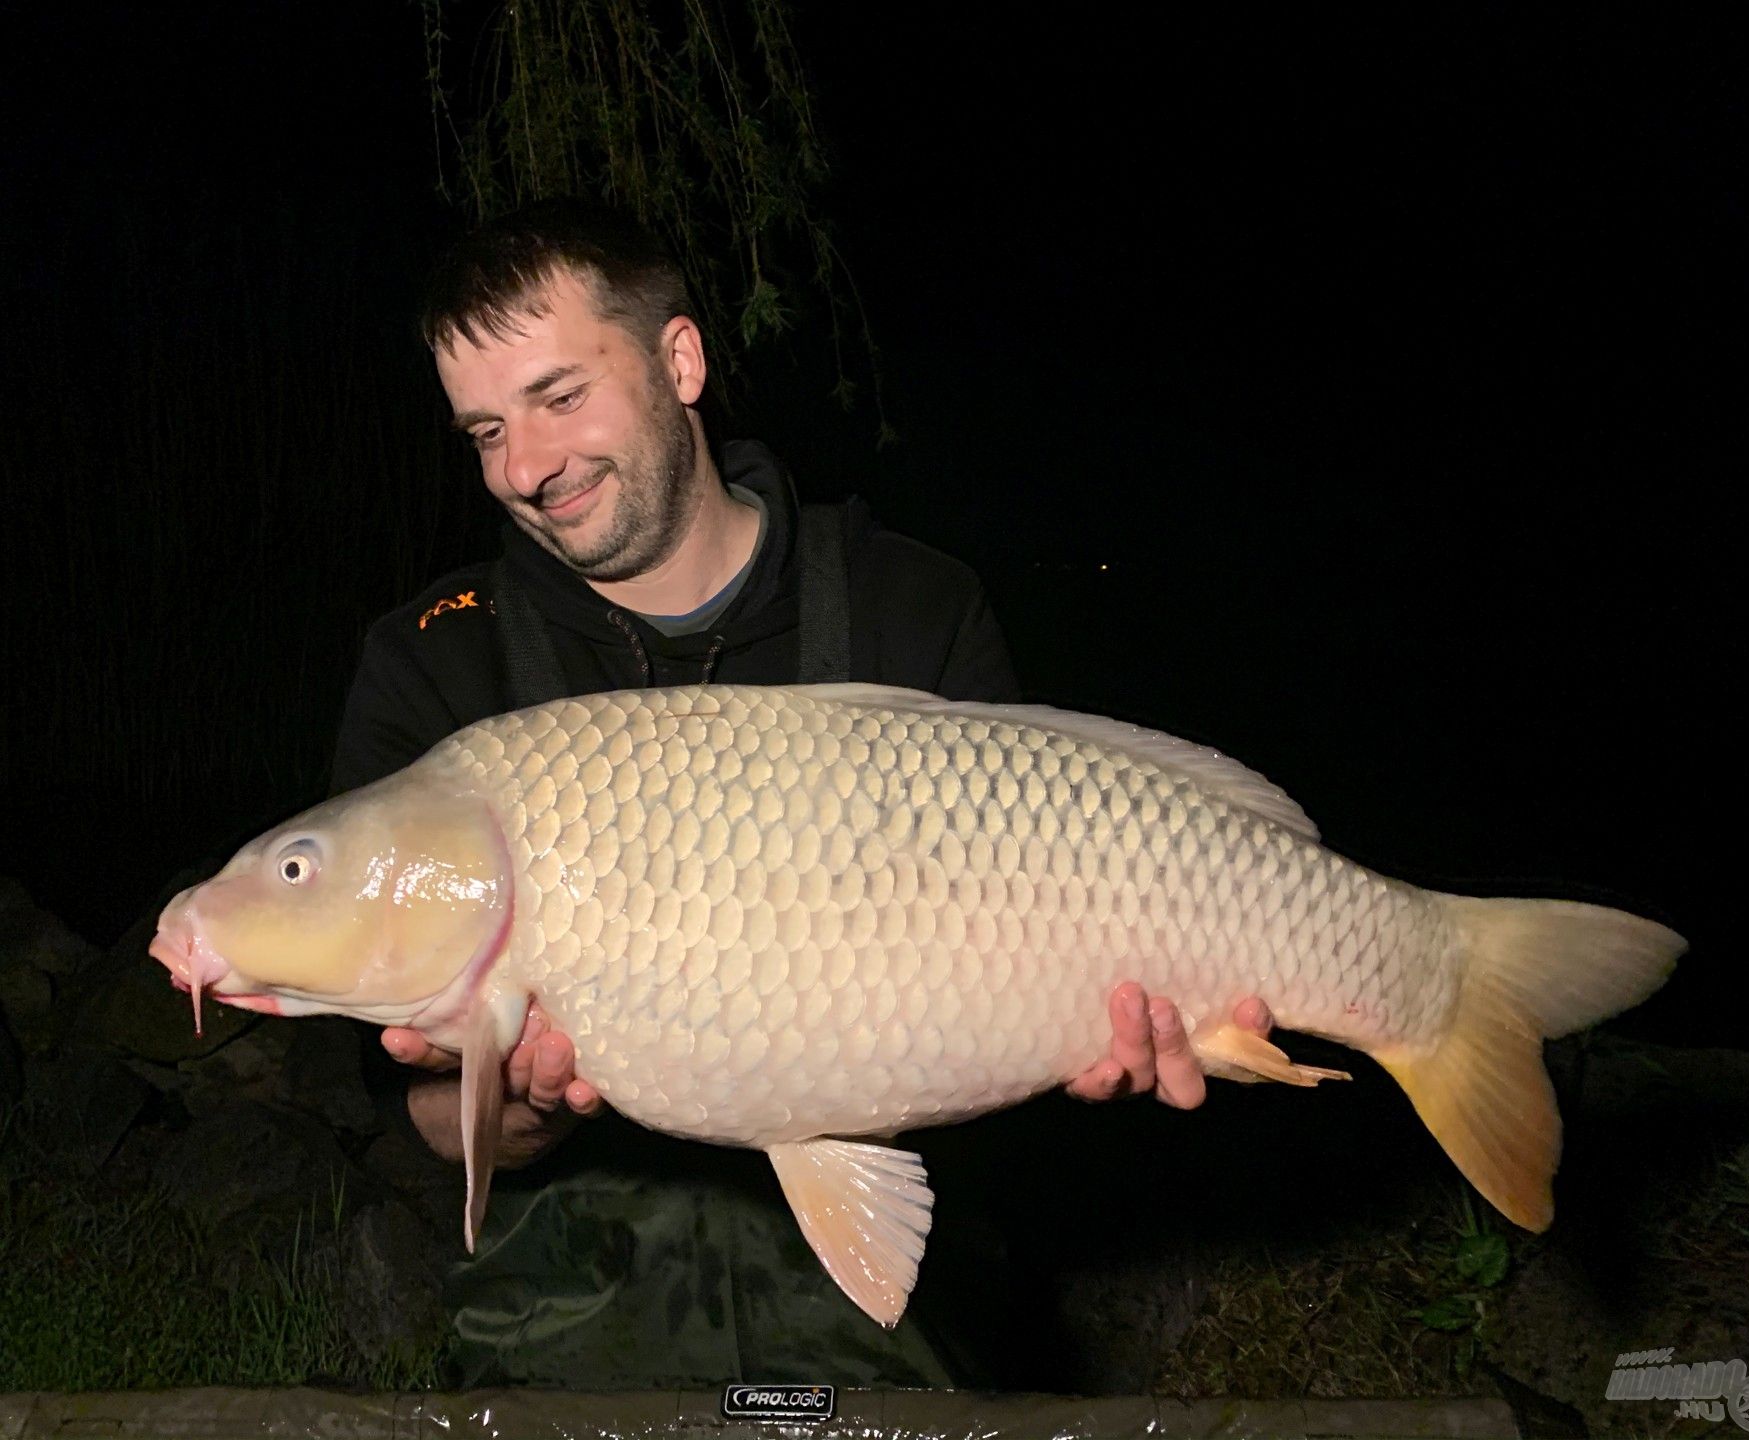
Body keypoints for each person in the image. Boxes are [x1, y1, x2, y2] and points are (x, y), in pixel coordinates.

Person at [330, 199, 1269, 1389]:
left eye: (561, 397)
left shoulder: (909, 605)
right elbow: (405, 1095)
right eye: (482, 431)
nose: (526, 467)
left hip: (897, 1325)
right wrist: (518, 1109)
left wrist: (1110, 1027)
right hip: (564, 1336)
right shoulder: (434, 665)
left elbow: (1029, 971)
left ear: (681, 360)